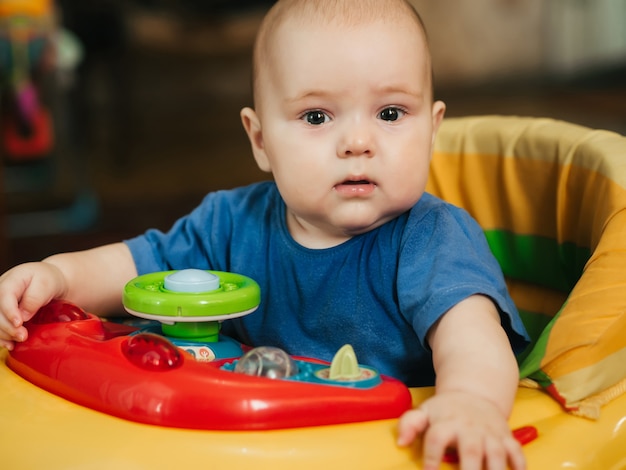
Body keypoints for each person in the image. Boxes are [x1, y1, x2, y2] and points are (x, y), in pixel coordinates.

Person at [0, 0, 529, 468]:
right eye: (317, 116)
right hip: (255, 445)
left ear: (433, 129)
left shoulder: (432, 237)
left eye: (391, 113)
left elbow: (473, 341)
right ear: (260, 139)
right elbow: (136, 269)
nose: (358, 141)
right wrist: (56, 276)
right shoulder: (230, 222)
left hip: (380, 446)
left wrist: (471, 404)